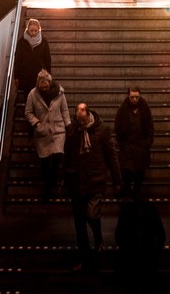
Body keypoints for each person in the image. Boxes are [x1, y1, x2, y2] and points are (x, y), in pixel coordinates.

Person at [63, 101, 121, 273]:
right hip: (77, 182)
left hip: (96, 180)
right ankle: (85, 258)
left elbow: (111, 155)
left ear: (88, 114)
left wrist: (117, 180)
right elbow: (68, 154)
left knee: (91, 213)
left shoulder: (101, 130)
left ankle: (98, 238)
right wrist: (65, 176)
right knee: (79, 224)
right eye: (77, 116)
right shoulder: (73, 130)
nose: (80, 121)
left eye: (82, 116)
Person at [25, 69, 70, 201]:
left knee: (58, 157)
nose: (44, 89)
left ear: (50, 83)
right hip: (42, 131)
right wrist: (36, 123)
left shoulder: (60, 93)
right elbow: (28, 112)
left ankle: (54, 183)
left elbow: (64, 110)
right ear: (38, 84)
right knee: (45, 162)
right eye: (41, 86)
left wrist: (68, 125)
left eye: (46, 86)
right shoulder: (33, 94)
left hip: (58, 130)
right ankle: (47, 187)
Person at [115, 194, 166, 293]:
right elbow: (161, 235)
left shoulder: (127, 210)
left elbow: (119, 235)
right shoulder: (149, 209)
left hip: (140, 255)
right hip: (138, 255)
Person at [114, 85, 154, 197]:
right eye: (132, 97)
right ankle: (126, 190)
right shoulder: (123, 109)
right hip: (128, 145)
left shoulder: (144, 108)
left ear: (139, 96)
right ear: (128, 96)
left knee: (140, 171)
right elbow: (117, 127)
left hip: (141, 145)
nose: (135, 99)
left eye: (136, 97)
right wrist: (122, 144)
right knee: (127, 171)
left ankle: (136, 190)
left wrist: (148, 143)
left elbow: (150, 126)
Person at [13, 17, 51, 102]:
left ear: (39, 30)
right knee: (28, 98)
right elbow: (18, 58)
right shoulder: (22, 41)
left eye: (35, 31)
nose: (33, 33)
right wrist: (16, 76)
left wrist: (48, 74)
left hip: (39, 74)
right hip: (26, 74)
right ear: (28, 30)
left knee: (40, 98)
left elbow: (47, 59)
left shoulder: (43, 41)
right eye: (31, 31)